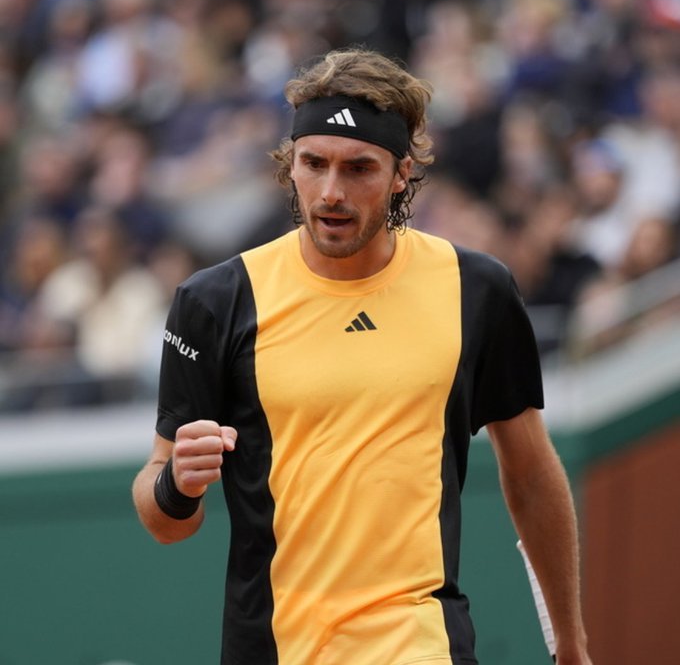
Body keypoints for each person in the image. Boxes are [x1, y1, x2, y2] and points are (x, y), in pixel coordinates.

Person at [132, 48, 592, 665]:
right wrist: (177, 484)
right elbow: (165, 522)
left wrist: (569, 642)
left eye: (358, 169)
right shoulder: (215, 301)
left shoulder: (475, 289)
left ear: (402, 173)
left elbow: (532, 475)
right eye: (313, 164)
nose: (331, 192)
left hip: (422, 644)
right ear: (289, 165)